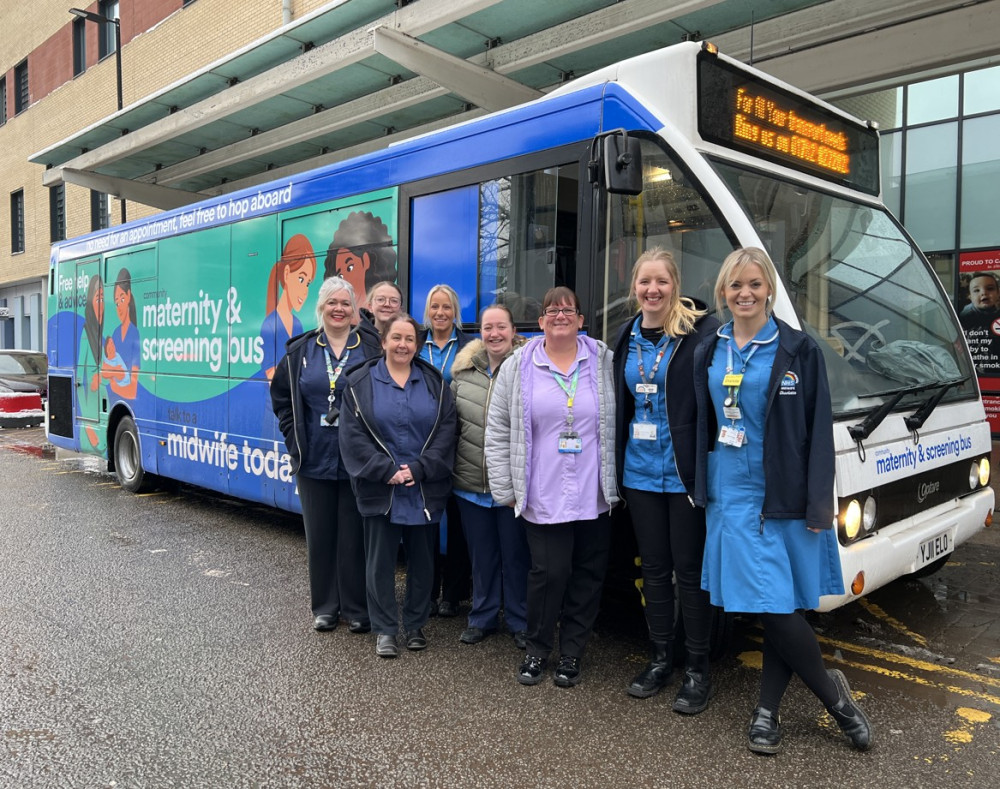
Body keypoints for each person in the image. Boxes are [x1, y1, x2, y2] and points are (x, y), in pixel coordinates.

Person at [692, 247, 872, 754]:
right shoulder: (710, 348)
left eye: (754, 284)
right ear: (723, 292)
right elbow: (698, 419)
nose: (745, 293)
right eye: (735, 285)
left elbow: (818, 432)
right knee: (772, 604)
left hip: (785, 494)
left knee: (779, 606)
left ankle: (776, 710)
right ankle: (826, 701)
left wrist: (820, 504)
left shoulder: (798, 349)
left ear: (769, 288)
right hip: (731, 494)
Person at [486, 286, 619, 688]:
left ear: (581, 320)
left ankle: (572, 652)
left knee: (588, 575)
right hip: (542, 492)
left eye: (568, 310)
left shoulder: (603, 361)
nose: (561, 316)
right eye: (552, 310)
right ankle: (537, 649)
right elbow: (498, 428)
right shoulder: (518, 366)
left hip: (593, 491)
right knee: (548, 573)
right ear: (541, 321)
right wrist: (505, 486)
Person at [612, 248, 719, 710]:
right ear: (634, 287)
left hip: (683, 474)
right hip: (639, 472)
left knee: (689, 573)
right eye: (644, 282)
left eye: (661, 281)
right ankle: (660, 659)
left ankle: (697, 669)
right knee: (654, 570)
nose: (652, 290)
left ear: (675, 285)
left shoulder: (699, 334)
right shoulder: (625, 334)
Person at [339, 314, 458, 658]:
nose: (402, 345)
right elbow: (352, 436)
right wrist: (384, 470)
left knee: (423, 562)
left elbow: (447, 431)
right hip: (382, 487)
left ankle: (416, 624)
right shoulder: (360, 383)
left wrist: (420, 469)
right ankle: (385, 629)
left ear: (417, 346)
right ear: (384, 342)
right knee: (379, 563)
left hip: (422, 487)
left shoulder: (435, 384)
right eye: (396, 338)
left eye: (409, 339)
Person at [270, 277, 381, 632]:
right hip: (314, 457)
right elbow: (282, 399)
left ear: (354, 311)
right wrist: (294, 440)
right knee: (319, 537)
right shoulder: (300, 351)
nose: (339, 309)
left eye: (345, 303)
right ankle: (325, 607)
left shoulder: (370, 349)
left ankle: (355, 608)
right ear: (321, 307)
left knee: (354, 537)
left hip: (356, 460)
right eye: (332, 302)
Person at [450, 304, 529, 647]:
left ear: (513, 331)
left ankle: (520, 620)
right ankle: (482, 617)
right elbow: (452, 426)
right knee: (482, 558)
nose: (494, 334)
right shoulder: (462, 373)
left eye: (501, 327)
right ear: (480, 333)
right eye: (488, 328)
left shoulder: (529, 369)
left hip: (513, 485)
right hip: (470, 484)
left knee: (517, 557)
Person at [420, 284, 473, 617]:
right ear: (428, 311)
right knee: (425, 521)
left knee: (458, 521)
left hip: (461, 443)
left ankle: (453, 594)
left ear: (455, 312)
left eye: (447, 307)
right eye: (435, 307)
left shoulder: (471, 347)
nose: (440, 313)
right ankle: (425, 592)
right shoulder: (414, 344)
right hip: (422, 445)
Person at [261, 235, 317, 380]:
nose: (305, 291)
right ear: (286, 274)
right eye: (301, 279)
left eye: (308, 283)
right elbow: (271, 376)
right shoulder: (270, 325)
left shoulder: (297, 324)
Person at [107, 268, 140, 401]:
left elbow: (133, 391)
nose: (119, 307)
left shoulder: (134, 334)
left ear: (129, 296)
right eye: (116, 302)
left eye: (122, 299)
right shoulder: (115, 334)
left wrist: (114, 386)